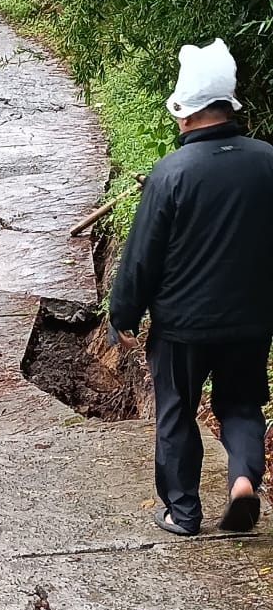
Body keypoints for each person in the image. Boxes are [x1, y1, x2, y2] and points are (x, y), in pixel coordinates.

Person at [108, 38, 273, 537]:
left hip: (182, 325)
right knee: (242, 404)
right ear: (228, 106)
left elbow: (142, 255)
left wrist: (124, 314)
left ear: (185, 113)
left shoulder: (172, 172)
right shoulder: (267, 160)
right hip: (250, 319)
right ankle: (243, 479)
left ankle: (183, 514)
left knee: (177, 413)